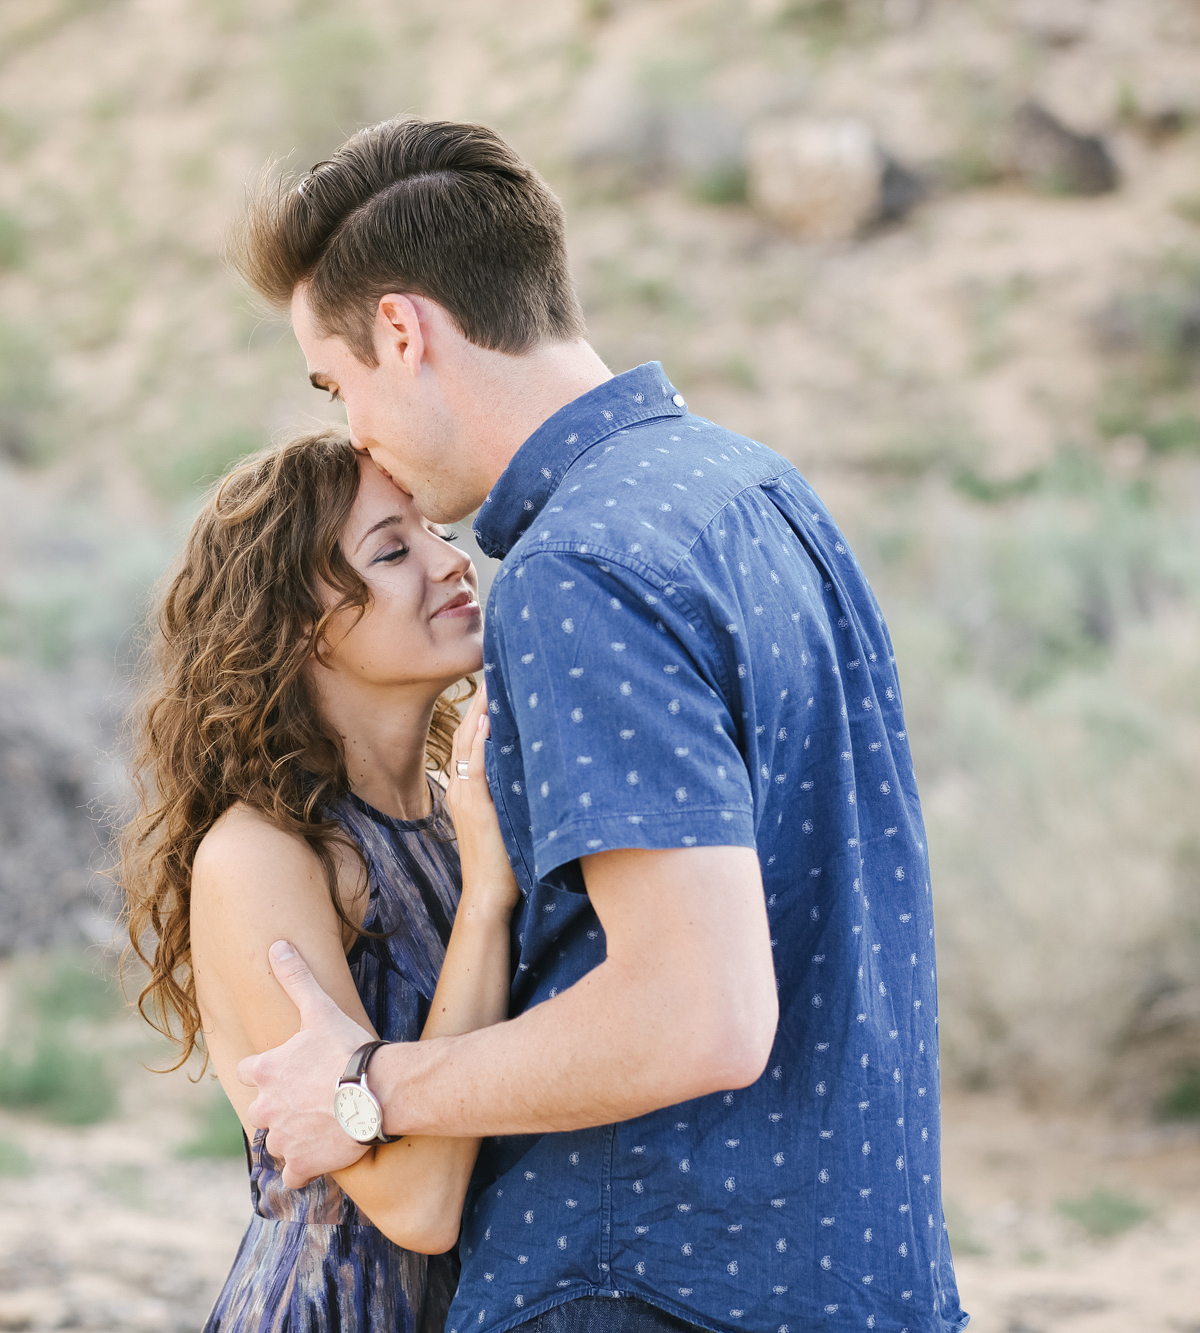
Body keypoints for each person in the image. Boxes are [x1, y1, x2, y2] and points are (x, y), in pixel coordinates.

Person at [229, 118, 969, 1333]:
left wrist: (366, 1088)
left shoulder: (580, 566)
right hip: (859, 1276)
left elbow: (698, 1013)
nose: (351, 426)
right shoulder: (755, 491)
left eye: (334, 378)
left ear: (402, 331)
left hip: (646, 1283)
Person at [120, 427, 524, 1332]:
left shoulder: (460, 817)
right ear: (302, 628)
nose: (452, 563)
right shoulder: (265, 856)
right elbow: (415, 1204)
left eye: (435, 532)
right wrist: (489, 899)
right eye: (392, 549)